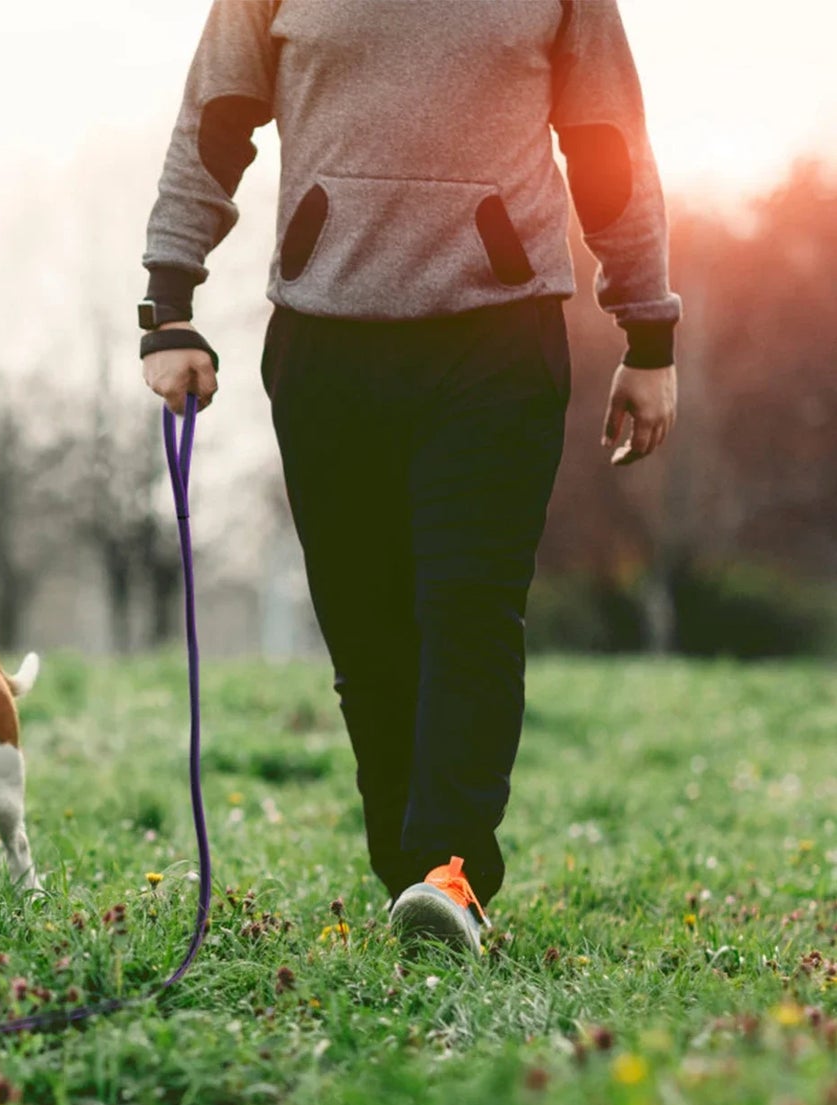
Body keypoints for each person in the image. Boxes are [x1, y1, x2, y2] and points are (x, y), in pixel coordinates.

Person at [139, 0, 679, 956]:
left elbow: (606, 144)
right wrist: (168, 304)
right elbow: (212, 123)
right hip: (326, 340)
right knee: (366, 631)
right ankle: (409, 878)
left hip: (496, 340)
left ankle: (449, 870)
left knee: (467, 610)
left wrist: (647, 331)